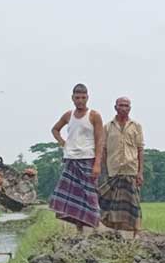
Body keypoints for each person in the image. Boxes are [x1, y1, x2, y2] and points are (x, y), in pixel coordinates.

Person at [49, 83, 104, 233]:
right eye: (77, 97)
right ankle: (80, 230)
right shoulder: (68, 115)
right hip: (71, 160)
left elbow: (100, 140)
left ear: (87, 98)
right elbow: (55, 129)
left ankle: (94, 228)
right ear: (72, 98)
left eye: (83, 97)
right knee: (73, 196)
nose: (80, 100)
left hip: (88, 159)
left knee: (90, 196)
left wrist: (97, 163)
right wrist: (63, 143)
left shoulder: (94, 115)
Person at [99, 96, 144, 237]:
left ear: (130, 108)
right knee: (113, 204)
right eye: (121, 105)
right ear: (115, 107)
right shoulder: (107, 127)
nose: (123, 108)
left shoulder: (136, 126)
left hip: (130, 170)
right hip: (114, 171)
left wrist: (140, 172)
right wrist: (105, 169)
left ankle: (136, 234)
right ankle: (116, 232)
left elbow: (140, 149)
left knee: (133, 205)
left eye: (126, 105)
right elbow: (104, 149)